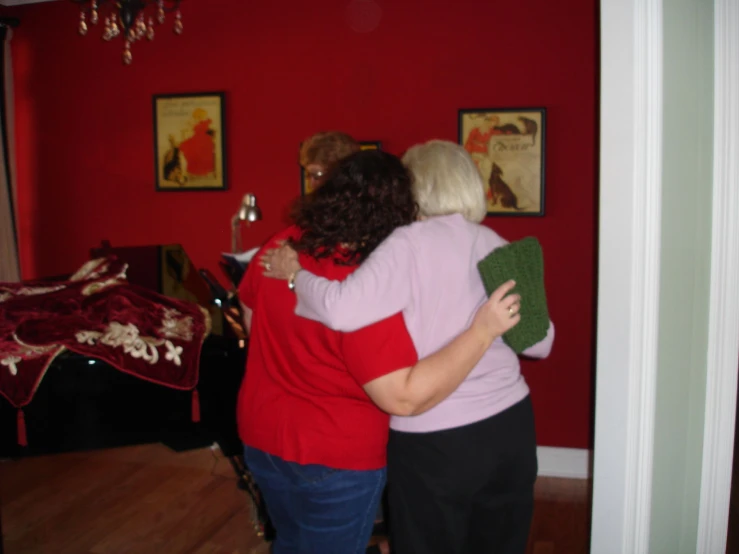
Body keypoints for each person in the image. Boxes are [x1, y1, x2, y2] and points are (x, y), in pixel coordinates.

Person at [260, 139, 555, 554]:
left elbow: (342, 310)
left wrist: (296, 277)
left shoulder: (407, 244)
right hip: (511, 429)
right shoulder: (497, 243)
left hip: (438, 440)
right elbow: (541, 343)